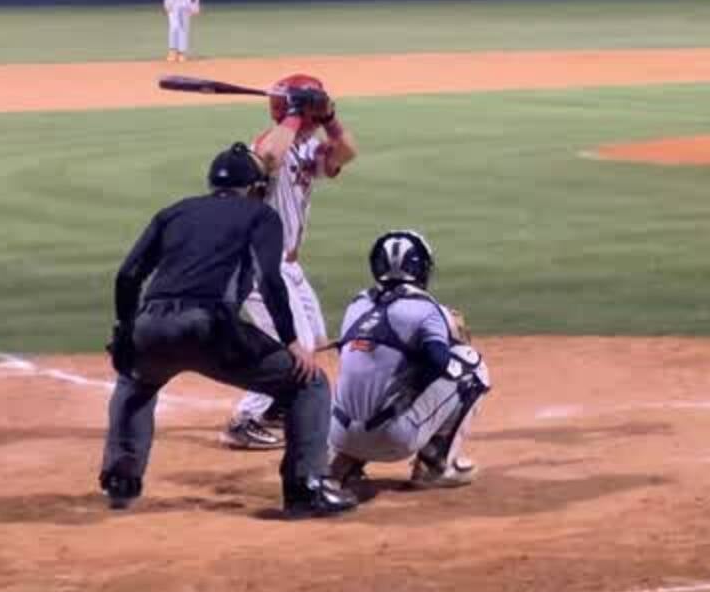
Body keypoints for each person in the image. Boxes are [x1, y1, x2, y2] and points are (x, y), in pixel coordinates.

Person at [99, 142, 356, 519]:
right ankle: (305, 488)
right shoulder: (260, 215)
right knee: (308, 383)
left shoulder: (173, 212)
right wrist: (291, 342)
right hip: (210, 327)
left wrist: (125, 332)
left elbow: (128, 275)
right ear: (255, 187)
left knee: (135, 382)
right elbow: (270, 280)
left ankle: (122, 481)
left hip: (151, 324)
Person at [220, 75, 359, 450]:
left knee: (312, 340)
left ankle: (277, 405)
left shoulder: (306, 147)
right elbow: (268, 158)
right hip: (259, 266)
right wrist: (295, 115)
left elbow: (346, 153)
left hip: (289, 266)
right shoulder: (266, 143)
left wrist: (330, 118)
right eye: (311, 108)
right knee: (291, 345)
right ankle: (245, 418)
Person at [327, 230, 491, 493]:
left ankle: (342, 463)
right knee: (471, 366)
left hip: (338, 435)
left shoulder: (357, 304)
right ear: (422, 268)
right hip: (394, 439)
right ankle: (434, 466)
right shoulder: (427, 309)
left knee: (366, 372)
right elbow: (440, 362)